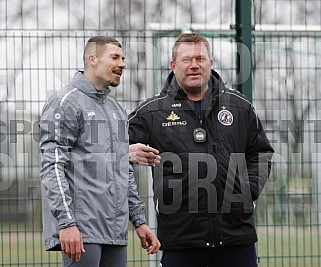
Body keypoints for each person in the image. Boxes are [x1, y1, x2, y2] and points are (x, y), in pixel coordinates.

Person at [128, 33, 274, 267]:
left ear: (210, 63)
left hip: (236, 239)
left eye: (200, 58)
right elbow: (113, 148)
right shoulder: (151, 112)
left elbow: (261, 154)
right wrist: (127, 152)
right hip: (180, 240)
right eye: (186, 60)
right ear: (173, 65)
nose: (194, 65)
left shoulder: (239, 106)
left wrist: (246, 192)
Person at [39, 36, 160, 267]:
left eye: (123, 58)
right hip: (81, 230)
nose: (122, 63)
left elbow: (123, 170)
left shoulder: (116, 109)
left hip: (115, 231)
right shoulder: (65, 102)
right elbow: (53, 167)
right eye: (114, 57)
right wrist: (66, 223)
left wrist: (139, 221)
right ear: (92, 59)